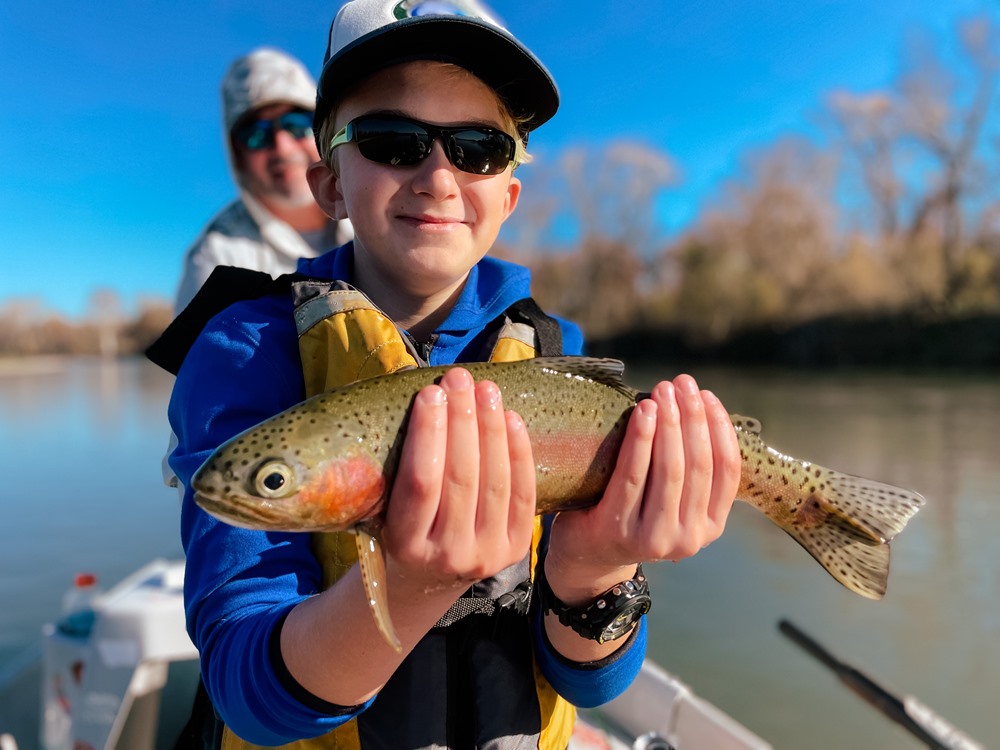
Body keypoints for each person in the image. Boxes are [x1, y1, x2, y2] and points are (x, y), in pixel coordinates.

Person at [164, 1, 742, 747]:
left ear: (508, 193)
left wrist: (597, 570)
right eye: (392, 140)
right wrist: (411, 586)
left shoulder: (553, 346)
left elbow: (589, 678)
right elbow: (247, 693)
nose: (438, 176)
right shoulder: (242, 349)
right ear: (330, 182)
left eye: (478, 146)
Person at [174, 47, 353, 312]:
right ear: (237, 156)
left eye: (297, 123)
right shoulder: (218, 258)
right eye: (256, 134)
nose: (282, 147)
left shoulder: (379, 211)